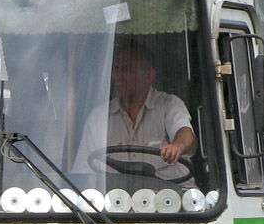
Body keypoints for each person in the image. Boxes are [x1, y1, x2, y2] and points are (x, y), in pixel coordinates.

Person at [72, 42, 196, 183]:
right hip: (117, 199)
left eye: (126, 70)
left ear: (149, 75)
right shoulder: (98, 116)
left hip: (172, 197)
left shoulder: (169, 104)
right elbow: (83, 173)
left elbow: (186, 134)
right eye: (116, 70)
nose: (118, 76)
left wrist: (177, 146)